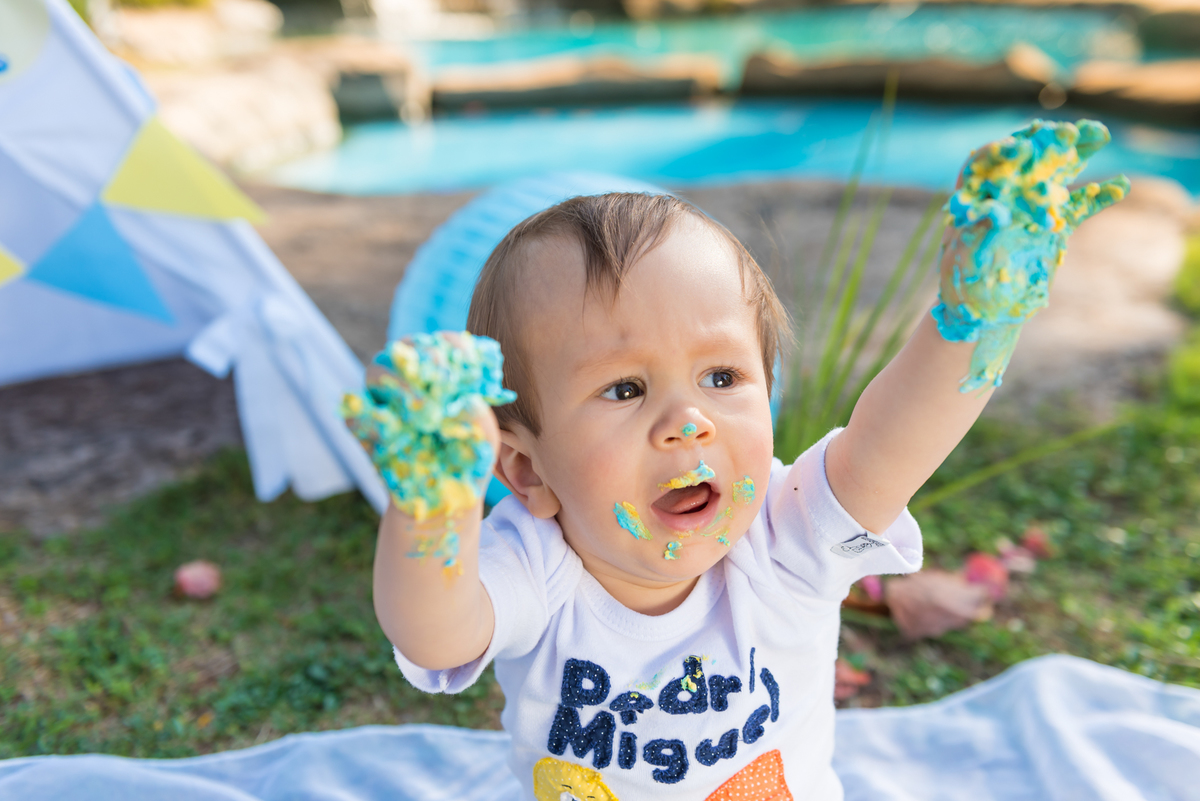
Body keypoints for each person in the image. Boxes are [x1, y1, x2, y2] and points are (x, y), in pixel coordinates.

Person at [358, 121, 1128, 801]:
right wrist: (432, 510)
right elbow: (437, 633)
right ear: (528, 471)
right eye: (624, 389)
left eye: (721, 377)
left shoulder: (786, 539)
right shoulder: (535, 562)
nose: (687, 422)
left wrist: (975, 320)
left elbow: (893, 443)